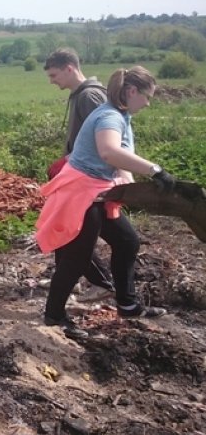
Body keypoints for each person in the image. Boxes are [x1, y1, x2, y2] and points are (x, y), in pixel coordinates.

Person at [36, 66, 174, 340]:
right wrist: (154, 170)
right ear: (132, 91)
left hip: (99, 191)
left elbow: (119, 159)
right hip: (81, 194)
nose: (148, 103)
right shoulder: (110, 116)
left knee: (127, 241)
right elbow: (109, 152)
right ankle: (54, 315)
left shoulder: (120, 114)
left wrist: (131, 185)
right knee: (76, 258)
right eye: (147, 96)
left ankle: (127, 304)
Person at [44, 48, 116, 298]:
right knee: (64, 228)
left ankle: (104, 284)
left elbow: (106, 142)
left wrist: (70, 161)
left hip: (87, 182)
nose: (52, 81)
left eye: (54, 75)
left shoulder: (91, 97)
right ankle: (65, 278)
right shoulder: (78, 95)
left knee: (78, 236)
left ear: (69, 68)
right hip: (76, 176)